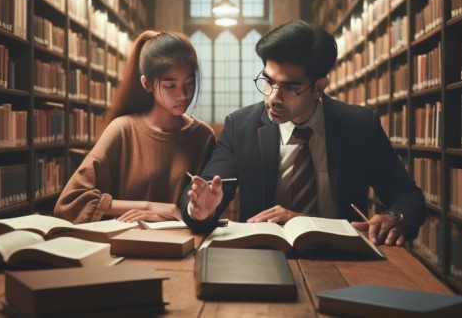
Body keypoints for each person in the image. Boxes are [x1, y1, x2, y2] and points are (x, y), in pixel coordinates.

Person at [181, 20, 426, 246]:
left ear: (318, 87)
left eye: (289, 87)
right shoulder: (240, 127)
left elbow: (409, 196)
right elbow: (204, 194)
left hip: (343, 258)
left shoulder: (360, 126)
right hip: (262, 254)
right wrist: (201, 211)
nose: (273, 98)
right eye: (268, 81)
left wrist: (395, 217)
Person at [55, 30, 216, 224]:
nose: (182, 94)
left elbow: (206, 210)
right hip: (126, 244)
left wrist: (174, 214)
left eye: (189, 83)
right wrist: (147, 206)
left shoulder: (203, 136)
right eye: (170, 86)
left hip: (185, 247)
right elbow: (70, 203)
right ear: (146, 84)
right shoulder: (123, 130)